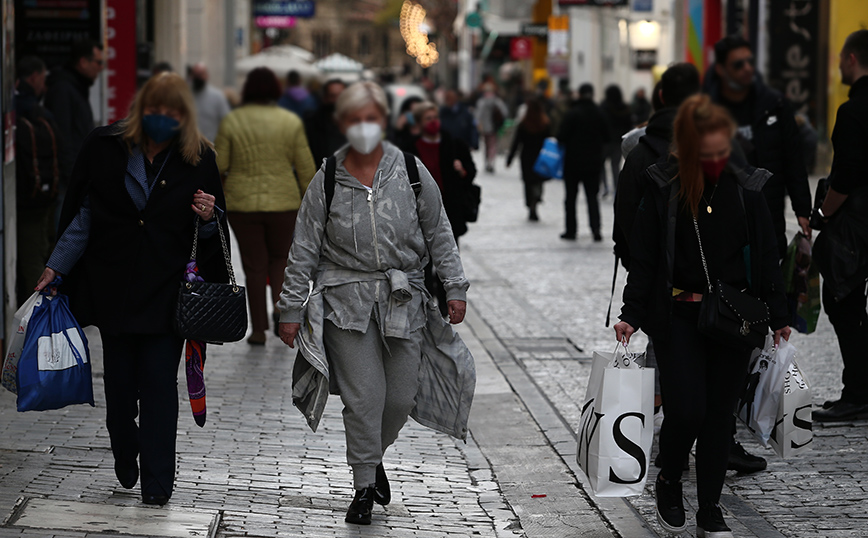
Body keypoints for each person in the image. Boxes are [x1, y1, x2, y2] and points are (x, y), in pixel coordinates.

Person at [276, 81, 473, 526]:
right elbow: (304, 246)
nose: (364, 126)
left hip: (402, 299)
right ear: (343, 123)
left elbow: (439, 230)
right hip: (344, 303)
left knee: (400, 397)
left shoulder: (411, 169)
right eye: (355, 118)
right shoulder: (327, 176)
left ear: (383, 121)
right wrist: (290, 309)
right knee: (365, 398)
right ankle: (364, 485)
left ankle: (372, 456)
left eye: (372, 117)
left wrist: (454, 286)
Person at [36, 72, 229, 506]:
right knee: (120, 388)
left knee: (159, 384)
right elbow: (84, 217)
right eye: (155, 111)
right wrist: (56, 267)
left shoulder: (198, 158)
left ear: (185, 115)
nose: (163, 118)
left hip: (167, 293)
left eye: (172, 112)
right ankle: (125, 448)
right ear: (141, 109)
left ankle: (158, 483)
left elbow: (216, 230)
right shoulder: (105, 148)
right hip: (114, 288)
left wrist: (207, 216)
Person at [614, 94, 790, 538]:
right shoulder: (663, 187)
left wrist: (780, 310)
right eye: (706, 155)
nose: (715, 163)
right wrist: (631, 313)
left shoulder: (747, 188)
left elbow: (768, 254)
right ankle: (669, 479)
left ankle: (710, 509)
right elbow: (645, 257)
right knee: (687, 410)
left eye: (721, 154)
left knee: (718, 418)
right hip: (678, 317)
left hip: (733, 321)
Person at [215, 67, 316, 345]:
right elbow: (306, 168)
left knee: (253, 266)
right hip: (284, 202)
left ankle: (258, 329)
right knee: (280, 260)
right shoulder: (289, 122)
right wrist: (313, 204)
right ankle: (281, 317)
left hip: (242, 203)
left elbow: (220, 165)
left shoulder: (232, 121)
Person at [707, 36, 812, 258]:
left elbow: (793, 157)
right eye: (738, 64)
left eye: (749, 61)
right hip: (722, 218)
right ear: (721, 69)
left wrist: (802, 209)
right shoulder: (707, 109)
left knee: (769, 282)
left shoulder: (775, 104)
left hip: (768, 213)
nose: (747, 68)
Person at [810, 30, 868, 423]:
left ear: (851, 59)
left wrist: (824, 214)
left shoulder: (854, 111)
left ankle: (859, 392)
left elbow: (846, 174)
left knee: (841, 300)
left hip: (858, 225)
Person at [400, 100, 477, 316]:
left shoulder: (454, 144)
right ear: (419, 122)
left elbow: (471, 172)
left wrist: (462, 170)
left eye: (435, 118)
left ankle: (446, 302)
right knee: (421, 261)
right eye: (428, 118)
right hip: (417, 213)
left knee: (448, 256)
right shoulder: (408, 148)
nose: (434, 122)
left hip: (450, 210)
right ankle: (426, 300)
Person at [15, 56, 62, 306]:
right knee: (42, 250)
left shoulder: (15, 107)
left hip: (26, 198)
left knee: (33, 255)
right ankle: (41, 308)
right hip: (45, 195)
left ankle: (36, 308)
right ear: (34, 77)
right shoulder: (40, 112)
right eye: (42, 77)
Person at [44, 39, 104, 230]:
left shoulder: (75, 87)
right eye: (98, 62)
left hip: (74, 177)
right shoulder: (64, 88)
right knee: (64, 233)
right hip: (67, 180)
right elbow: (63, 137)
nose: (101, 68)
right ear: (83, 62)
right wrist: (72, 176)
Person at [556, 83, 610, 242]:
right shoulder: (599, 113)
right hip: (593, 162)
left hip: (572, 162)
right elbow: (607, 136)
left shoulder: (572, 113)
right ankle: (596, 229)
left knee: (570, 198)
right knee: (592, 197)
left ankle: (571, 230)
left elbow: (561, 136)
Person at [506, 97, 551, 221]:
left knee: (528, 182)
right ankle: (536, 200)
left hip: (526, 157)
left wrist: (510, 158)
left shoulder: (524, 124)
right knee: (539, 181)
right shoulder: (545, 124)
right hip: (540, 157)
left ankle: (530, 204)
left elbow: (516, 142)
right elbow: (549, 141)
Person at [599, 85, 634, 197]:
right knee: (615, 166)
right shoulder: (625, 108)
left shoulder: (603, 107)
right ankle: (616, 188)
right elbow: (629, 125)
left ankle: (605, 187)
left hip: (605, 142)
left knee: (602, 165)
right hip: (618, 141)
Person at [304, 78, 347, 165]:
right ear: (325, 98)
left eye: (341, 96)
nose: (338, 100)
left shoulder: (356, 123)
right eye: (333, 96)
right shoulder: (313, 124)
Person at [189, 62, 231, 143]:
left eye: (200, 74)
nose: (197, 77)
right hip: (188, 148)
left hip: (211, 147)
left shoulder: (218, 96)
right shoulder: (186, 95)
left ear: (206, 75)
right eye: (195, 74)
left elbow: (227, 121)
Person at [475, 83, 508, 173]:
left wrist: (478, 124)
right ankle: (491, 163)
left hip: (485, 128)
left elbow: (478, 115)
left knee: (486, 146)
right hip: (494, 127)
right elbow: (505, 112)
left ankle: (487, 162)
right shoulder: (497, 101)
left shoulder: (481, 101)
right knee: (493, 145)